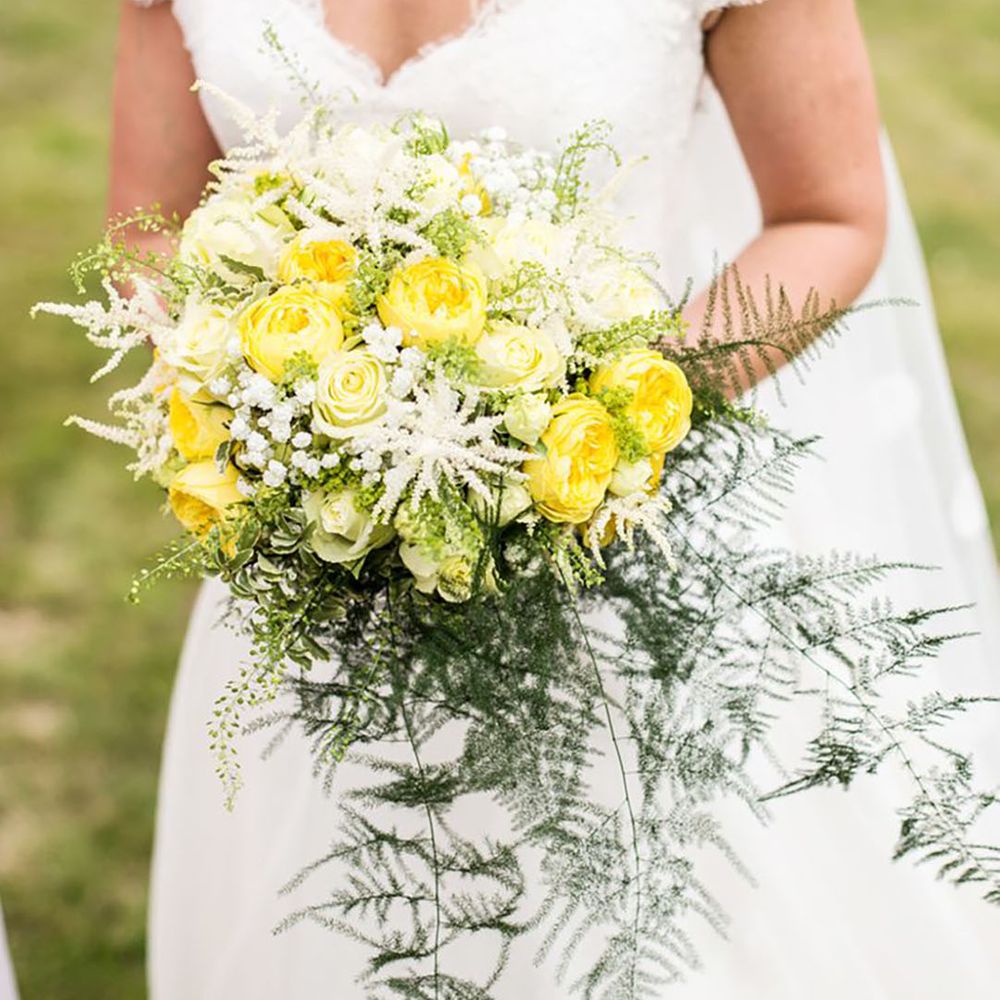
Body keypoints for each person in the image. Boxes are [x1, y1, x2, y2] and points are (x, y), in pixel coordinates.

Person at [112, 1, 1000, 996]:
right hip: (318, 577)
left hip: (625, 551)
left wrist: (587, 419)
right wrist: (289, 415)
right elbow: (147, 228)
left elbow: (829, 214)